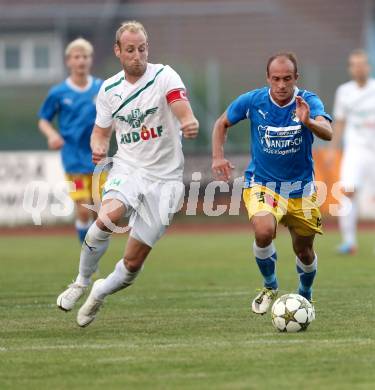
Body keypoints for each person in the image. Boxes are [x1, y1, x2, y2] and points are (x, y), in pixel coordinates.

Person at [56, 21, 199, 327]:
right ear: (118, 51)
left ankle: (99, 292)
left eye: (142, 48)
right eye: (131, 50)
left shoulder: (164, 75)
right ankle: (81, 281)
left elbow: (180, 104)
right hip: (128, 169)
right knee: (105, 218)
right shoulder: (109, 89)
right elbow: (100, 132)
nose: (138, 55)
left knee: (132, 265)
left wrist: (188, 121)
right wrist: (98, 147)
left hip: (166, 180)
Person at [212, 52, 332, 314]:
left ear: (295, 78)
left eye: (287, 79)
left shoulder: (308, 101)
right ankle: (270, 285)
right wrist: (217, 157)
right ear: (267, 78)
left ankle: (305, 295)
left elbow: (329, 132)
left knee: (305, 252)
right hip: (263, 185)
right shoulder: (253, 101)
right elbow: (221, 123)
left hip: (301, 190)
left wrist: (309, 121)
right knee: (264, 231)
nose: (281, 85)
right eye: (276, 79)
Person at [38, 38, 103, 243]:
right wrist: (52, 135)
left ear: (90, 60)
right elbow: (43, 120)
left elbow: (113, 116)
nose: (81, 61)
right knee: (83, 209)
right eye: (77, 57)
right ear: (69, 61)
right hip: (72, 159)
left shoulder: (101, 87)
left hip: (97, 156)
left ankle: (95, 253)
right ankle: (87, 255)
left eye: (85, 56)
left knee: (101, 211)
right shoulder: (58, 92)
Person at [328, 49, 375, 254]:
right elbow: (339, 122)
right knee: (347, 192)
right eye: (354, 64)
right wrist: (332, 150)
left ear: (368, 66)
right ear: (350, 68)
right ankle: (349, 242)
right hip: (354, 149)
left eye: (362, 63)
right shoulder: (344, 91)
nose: (359, 67)